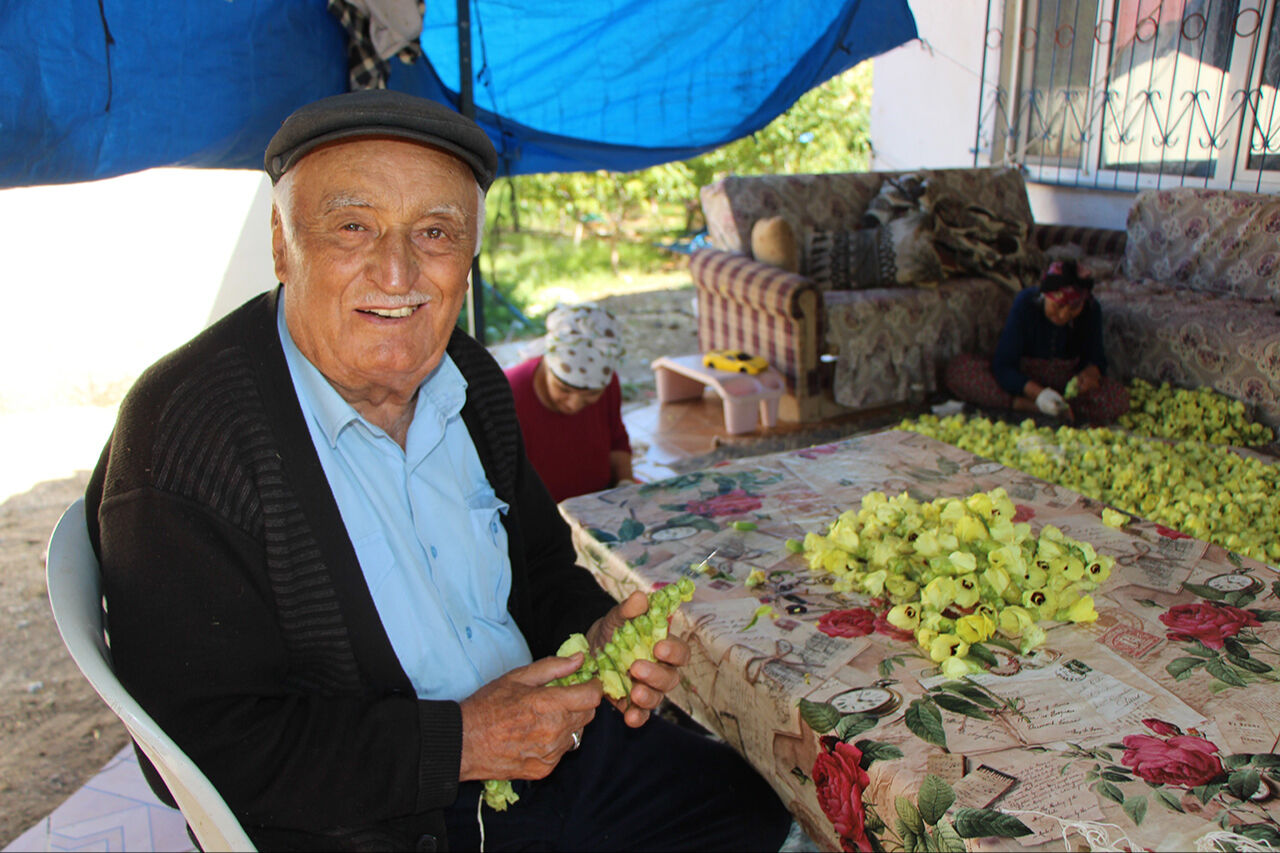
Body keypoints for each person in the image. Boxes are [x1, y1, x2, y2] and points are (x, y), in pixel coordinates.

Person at [84, 89, 790, 851]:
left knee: (759, 807)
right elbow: (195, 741)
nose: (397, 272)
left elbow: (542, 567)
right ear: (283, 245)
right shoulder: (188, 430)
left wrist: (593, 627)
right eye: (352, 226)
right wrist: (456, 742)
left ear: (469, 255)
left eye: (436, 232)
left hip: (546, 745)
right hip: (381, 821)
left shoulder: (471, 377)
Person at [944, 258, 1129, 424]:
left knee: (1117, 398)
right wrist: (1039, 395)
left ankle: (1058, 409)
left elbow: (1095, 358)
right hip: (1024, 381)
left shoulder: (1091, 310)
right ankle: (1027, 407)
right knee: (959, 370)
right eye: (1058, 306)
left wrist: (1090, 374)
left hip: (1066, 382)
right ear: (1045, 296)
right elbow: (1003, 365)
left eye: (1073, 309)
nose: (1064, 315)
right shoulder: (1026, 303)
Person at [505, 303, 635, 502]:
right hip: (538, 514)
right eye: (564, 389)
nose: (574, 404)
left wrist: (625, 484)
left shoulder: (608, 383)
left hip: (600, 499)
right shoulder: (510, 394)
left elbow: (617, 440)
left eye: (591, 394)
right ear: (546, 365)